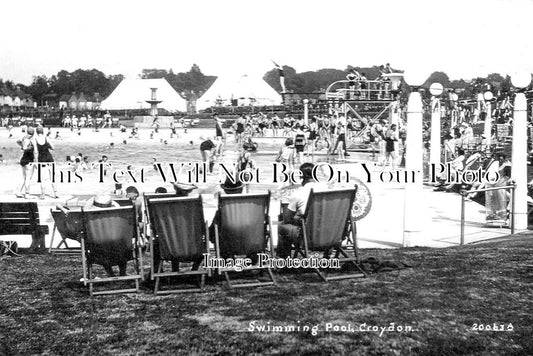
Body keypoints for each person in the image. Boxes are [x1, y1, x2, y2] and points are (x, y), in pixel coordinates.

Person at [277, 162, 326, 258]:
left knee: (282, 226)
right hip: (329, 233)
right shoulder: (327, 190)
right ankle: (327, 256)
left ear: (302, 176)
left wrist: (295, 217)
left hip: (309, 236)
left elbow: (287, 219)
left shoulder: (299, 193)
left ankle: (284, 261)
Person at [34, 126, 58, 199]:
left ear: (37, 132)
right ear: (43, 131)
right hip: (50, 159)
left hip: (41, 160)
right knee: (53, 177)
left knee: (43, 179)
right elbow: (53, 148)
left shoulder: (35, 139)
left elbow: (35, 152)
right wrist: (48, 147)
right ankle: (55, 193)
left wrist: (35, 161)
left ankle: (43, 194)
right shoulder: (46, 138)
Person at [16, 127, 36, 199]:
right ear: (33, 133)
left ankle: (18, 191)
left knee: (24, 177)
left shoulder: (24, 137)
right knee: (28, 178)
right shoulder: (30, 139)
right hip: (29, 159)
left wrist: (22, 146)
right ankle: (27, 194)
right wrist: (27, 148)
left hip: (23, 159)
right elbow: (25, 148)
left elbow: (18, 141)